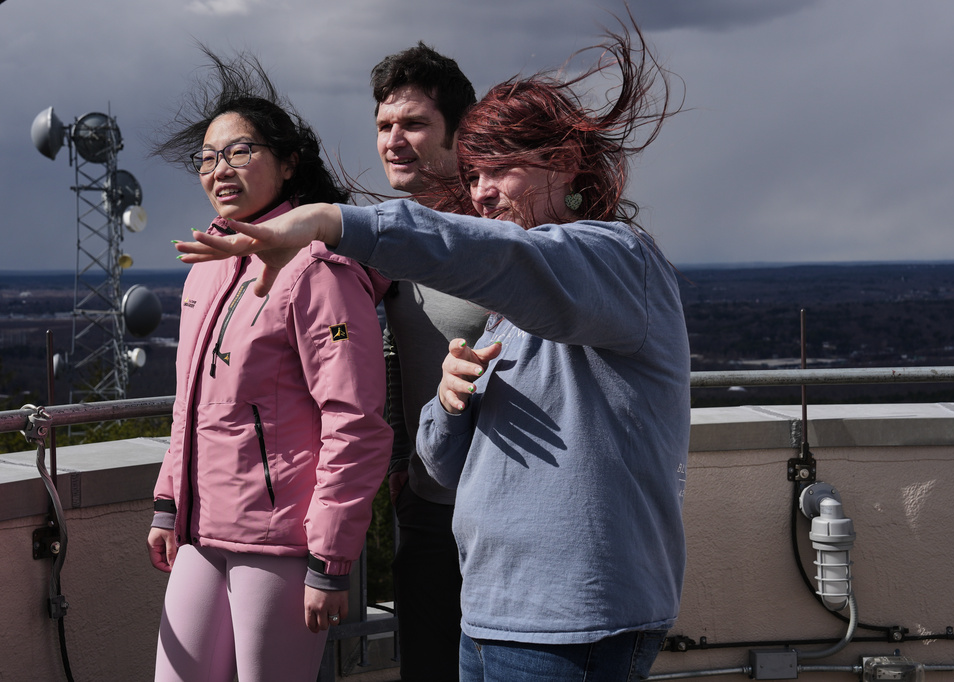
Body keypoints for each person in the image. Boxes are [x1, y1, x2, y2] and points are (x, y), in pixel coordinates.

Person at [178, 17, 689, 682]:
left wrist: (331, 221)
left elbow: (505, 259)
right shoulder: (503, 313)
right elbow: (445, 461)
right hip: (490, 600)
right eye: (476, 175)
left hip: (571, 617)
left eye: (501, 169)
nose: (483, 192)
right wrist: (447, 408)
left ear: (566, 164)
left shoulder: (614, 258)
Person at [147, 48, 392, 682]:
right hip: (203, 529)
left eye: (239, 151)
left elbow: (355, 421)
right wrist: (170, 502)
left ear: (288, 163)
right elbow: (189, 406)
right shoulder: (207, 267)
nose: (219, 170)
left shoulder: (318, 271)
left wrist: (330, 560)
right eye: (207, 158)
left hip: (282, 542)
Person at [370, 42, 489, 681]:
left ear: (457, 133)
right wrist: (399, 465)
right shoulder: (391, 239)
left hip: (507, 511)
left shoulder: (499, 234)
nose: (394, 140)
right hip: (427, 506)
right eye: (385, 125)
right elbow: (390, 356)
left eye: (413, 123)